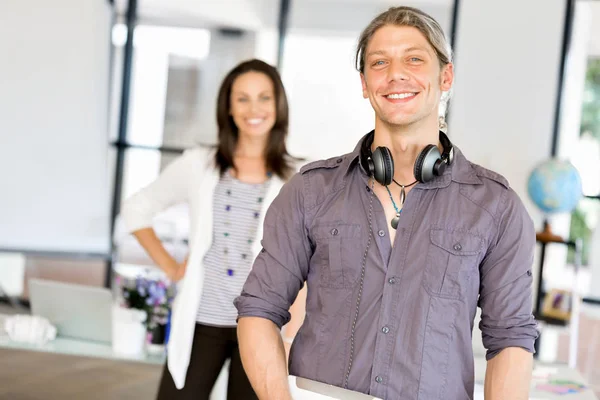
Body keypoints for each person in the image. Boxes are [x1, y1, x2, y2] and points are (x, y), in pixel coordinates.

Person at [234, 7, 539, 400]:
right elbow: (259, 309)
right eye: (380, 63)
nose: (396, 74)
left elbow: (510, 338)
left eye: (414, 58)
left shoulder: (497, 207)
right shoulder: (309, 192)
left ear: (445, 76)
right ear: (364, 83)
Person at [121, 59, 306, 399]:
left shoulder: (300, 176)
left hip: (263, 325)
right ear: (229, 108)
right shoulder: (199, 164)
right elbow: (137, 208)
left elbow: (309, 258)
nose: (254, 109)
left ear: (278, 106)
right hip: (201, 320)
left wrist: (292, 331)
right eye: (243, 98)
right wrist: (173, 268)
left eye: (264, 98)